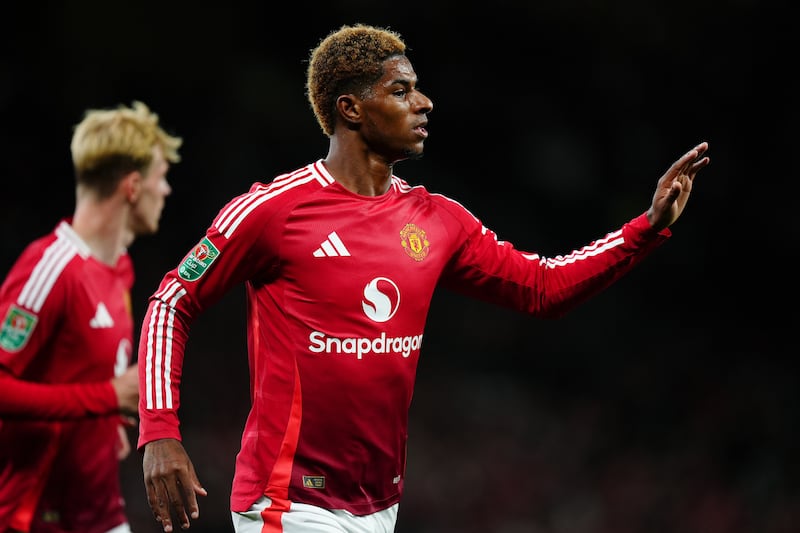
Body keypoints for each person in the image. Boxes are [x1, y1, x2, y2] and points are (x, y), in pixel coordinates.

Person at [137, 23, 710, 533]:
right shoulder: (274, 211)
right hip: (289, 503)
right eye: (402, 90)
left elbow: (541, 288)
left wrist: (645, 228)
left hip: (380, 504)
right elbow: (171, 304)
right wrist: (160, 432)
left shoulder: (437, 220)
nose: (425, 103)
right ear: (351, 109)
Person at [0, 101, 182, 533]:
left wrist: (111, 420)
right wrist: (107, 398)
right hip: (36, 516)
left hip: (99, 512)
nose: (168, 191)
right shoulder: (52, 268)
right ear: (133, 187)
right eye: (162, 178)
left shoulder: (120, 267)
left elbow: (80, 368)